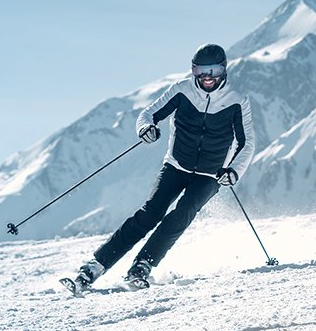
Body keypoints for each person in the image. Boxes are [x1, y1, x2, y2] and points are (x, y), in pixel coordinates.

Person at [68, 43, 256, 290]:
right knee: (151, 213)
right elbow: (148, 114)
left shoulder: (236, 101)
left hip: (210, 174)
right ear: (193, 70)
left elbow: (247, 141)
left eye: (213, 70)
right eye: (200, 70)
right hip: (176, 165)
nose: (207, 77)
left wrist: (233, 170)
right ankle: (95, 266)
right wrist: (146, 128)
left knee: (183, 213)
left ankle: (142, 266)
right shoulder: (182, 90)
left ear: (224, 70)